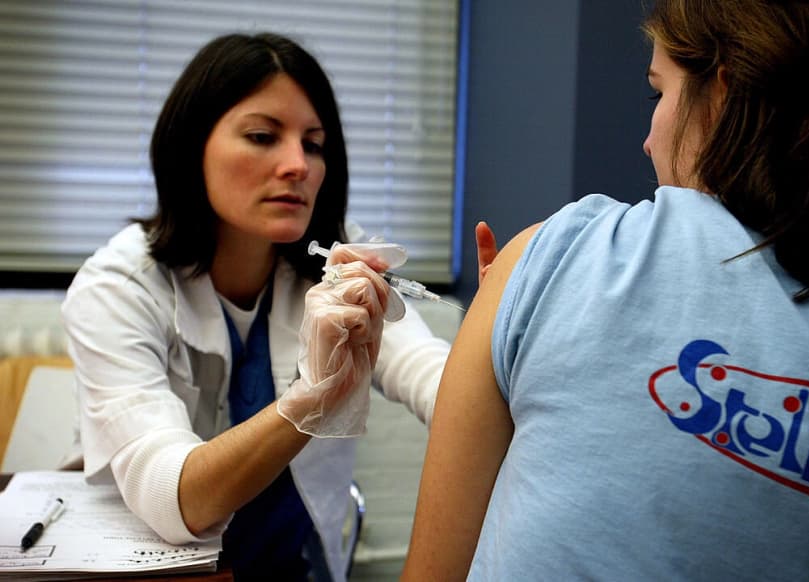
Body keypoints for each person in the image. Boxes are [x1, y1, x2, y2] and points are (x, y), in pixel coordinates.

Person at [401, 0, 809, 580]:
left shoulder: (554, 254)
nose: (649, 142)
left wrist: (518, 318)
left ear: (723, 97)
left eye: (661, 94)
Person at [60, 32, 491, 582]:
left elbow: (431, 377)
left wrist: (494, 336)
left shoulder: (341, 263)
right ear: (191, 147)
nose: (298, 165)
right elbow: (174, 497)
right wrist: (310, 399)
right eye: (263, 136)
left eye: (313, 144)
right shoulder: (118, 286)